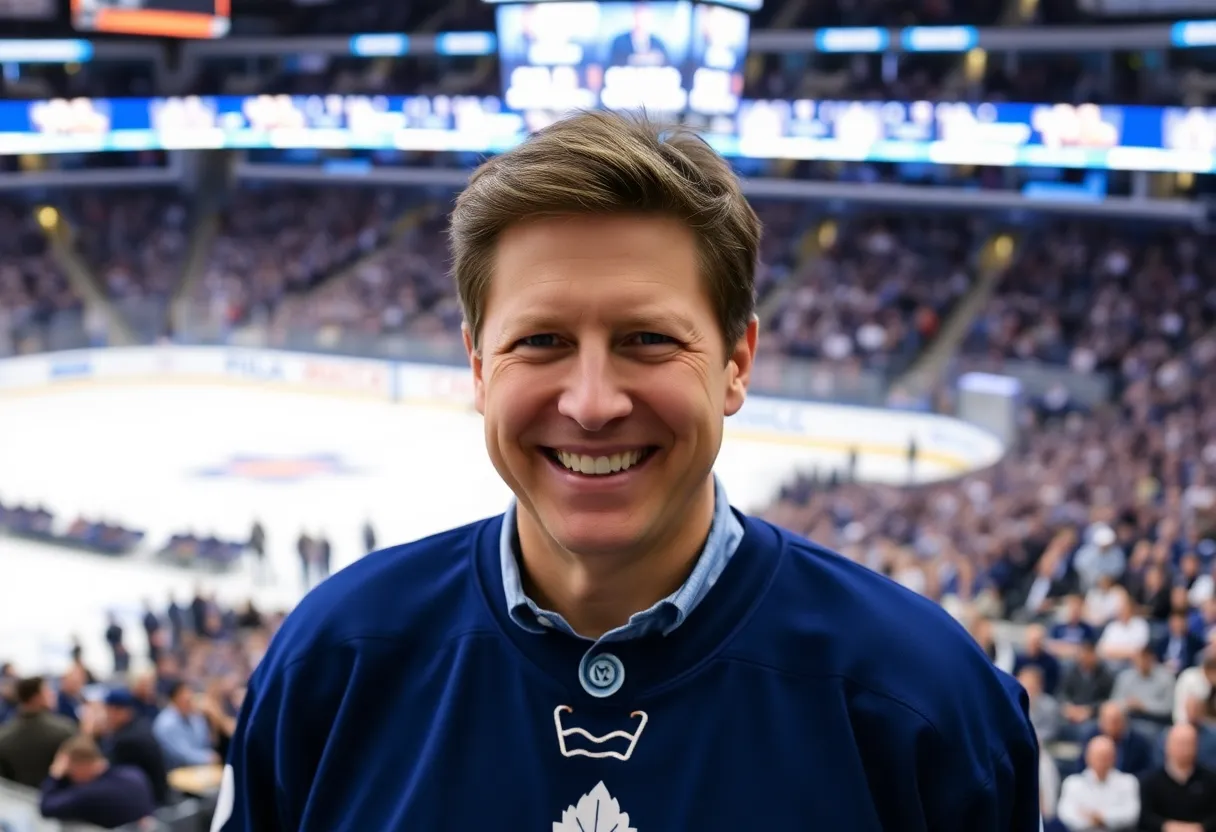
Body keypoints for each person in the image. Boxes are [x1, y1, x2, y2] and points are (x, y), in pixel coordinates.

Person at [211, 110, 1039, 831]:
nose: (594, 402)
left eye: (647, 339)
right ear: (476, 366)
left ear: (735, 363)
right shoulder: (332, 664)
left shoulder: (926, 701)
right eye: (541, 341)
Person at [1056, 735, 1139, 831]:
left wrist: (1101, 817)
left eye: (1106, 756)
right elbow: (1065, 814)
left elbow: (1131, 814)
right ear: (1087, 757)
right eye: (1098, 756)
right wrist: (1092, 821)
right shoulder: (1072, 783)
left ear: (1114, 758)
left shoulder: (1128, 781)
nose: (1102, 761)